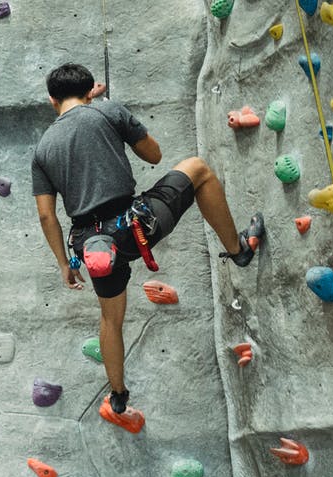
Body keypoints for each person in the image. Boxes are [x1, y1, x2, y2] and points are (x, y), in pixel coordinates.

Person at [31, 62, 263, 430]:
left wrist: (64, 263)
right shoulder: (107, 110)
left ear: (51, 100)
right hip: (136, 225)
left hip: (93, 245)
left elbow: (47, 216)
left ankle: (119, 396)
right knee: (198, 169)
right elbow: (153, 155)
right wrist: (111, 112)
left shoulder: (43, 149)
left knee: (111, 318)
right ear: (90, 89)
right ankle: (239, 251)